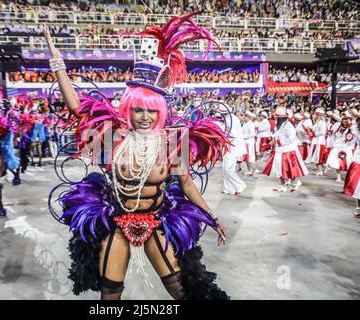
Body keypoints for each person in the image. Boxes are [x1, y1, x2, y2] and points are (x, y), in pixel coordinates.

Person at [43, 14, 230, 300]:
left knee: (180, 289)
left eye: (151, 110)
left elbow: (187, 184)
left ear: (160, 111)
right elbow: (77, 107)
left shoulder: (172, 140)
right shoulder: (112, 136)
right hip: (117, 220)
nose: (145, 117)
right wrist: (58, 63)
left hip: (157, 220)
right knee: (109, 293)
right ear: (128, 109)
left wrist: (212, 217)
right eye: (138, 110)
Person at [263, 107, 309, 192]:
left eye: (277, 117)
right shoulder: (281, 125)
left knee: (288, 169)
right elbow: (278, 135)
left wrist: (279, 141)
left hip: (287, 151)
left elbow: (291, 138)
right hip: (281, 150)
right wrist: (273, 140)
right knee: (280, 168)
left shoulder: (288, 126)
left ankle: (292, 183)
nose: (275, 118)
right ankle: (284, 184)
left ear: (281, 118)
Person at [220, 105, 247, 195]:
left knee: (228, 169)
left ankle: (240, 185)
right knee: (225, 169)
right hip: (228, 147)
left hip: (233, 148)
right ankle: (229, 188)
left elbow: (233, 134)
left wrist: (222, 138)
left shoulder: (231, 119)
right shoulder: (228, 118)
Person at [326, 112, 356, 183]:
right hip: (337, 146)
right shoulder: (337, 125)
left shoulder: (352, 128)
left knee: (348, 163)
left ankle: (347, 177)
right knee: (336, 163)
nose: (345, 121)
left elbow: (355, 138)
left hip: (347, 147)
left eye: (347, 119)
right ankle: (338, 177)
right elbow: (332, 135)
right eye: (344, 119)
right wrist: (329, 145)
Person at [343, 114, 360, 218]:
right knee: (357, 187)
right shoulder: (355, 131)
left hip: (358, 160)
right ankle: (358, 208)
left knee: (357, 187)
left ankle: (358, 208)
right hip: (358, 160)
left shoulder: (355, 130)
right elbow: (350, 142)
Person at [310, 108, 327, 175]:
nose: (314, 115)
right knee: (316, 157)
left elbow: (323, 132)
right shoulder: (317, 122)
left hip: (319, 141)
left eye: (315, 114)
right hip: (316, 141)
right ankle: (323, 168)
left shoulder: (321, 123)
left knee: (318, 157)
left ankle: (320, 170)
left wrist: (315, 133)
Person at [241, 110, 257, 176]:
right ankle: (249, 170)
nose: (244, 117)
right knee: (247, 158)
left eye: (246, 116)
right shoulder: (245, 124)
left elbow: (252, 134)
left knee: (249, 157)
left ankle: (252, 170)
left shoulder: (251, 125)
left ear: (249, 117)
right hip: (245, 142)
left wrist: (243, 136)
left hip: (249, 142)